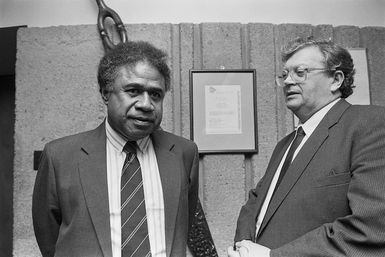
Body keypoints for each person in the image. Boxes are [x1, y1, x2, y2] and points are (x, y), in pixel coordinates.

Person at [33, 41, 200, 257]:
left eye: (156, 95)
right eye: (133, 91)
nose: (146, 104)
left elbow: (182, 224)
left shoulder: (183, 153)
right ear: (105, 93)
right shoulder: (60, 156)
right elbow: (48, 237)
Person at [228, 38, 385, 257]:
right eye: (284, 75)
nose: (288, 82)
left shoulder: (371, 124)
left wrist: (272, 256)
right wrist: (243, 244)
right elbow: (255, 203)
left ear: (336, 80)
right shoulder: (285, 145)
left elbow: (373, 227)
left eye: (300, 72)